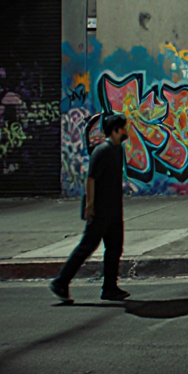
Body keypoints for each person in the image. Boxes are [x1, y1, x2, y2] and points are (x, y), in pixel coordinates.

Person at [49, 114, 131, 303]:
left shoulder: (118, 150)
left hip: (114, 209)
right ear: (116, 130)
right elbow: (91, 179)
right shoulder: (102, 151)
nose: (126, 131)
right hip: (101, 210)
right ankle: (61, 282)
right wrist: (90, 206)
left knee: (114, 247)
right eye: (124, 128)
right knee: (87, 246)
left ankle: (110, 288)